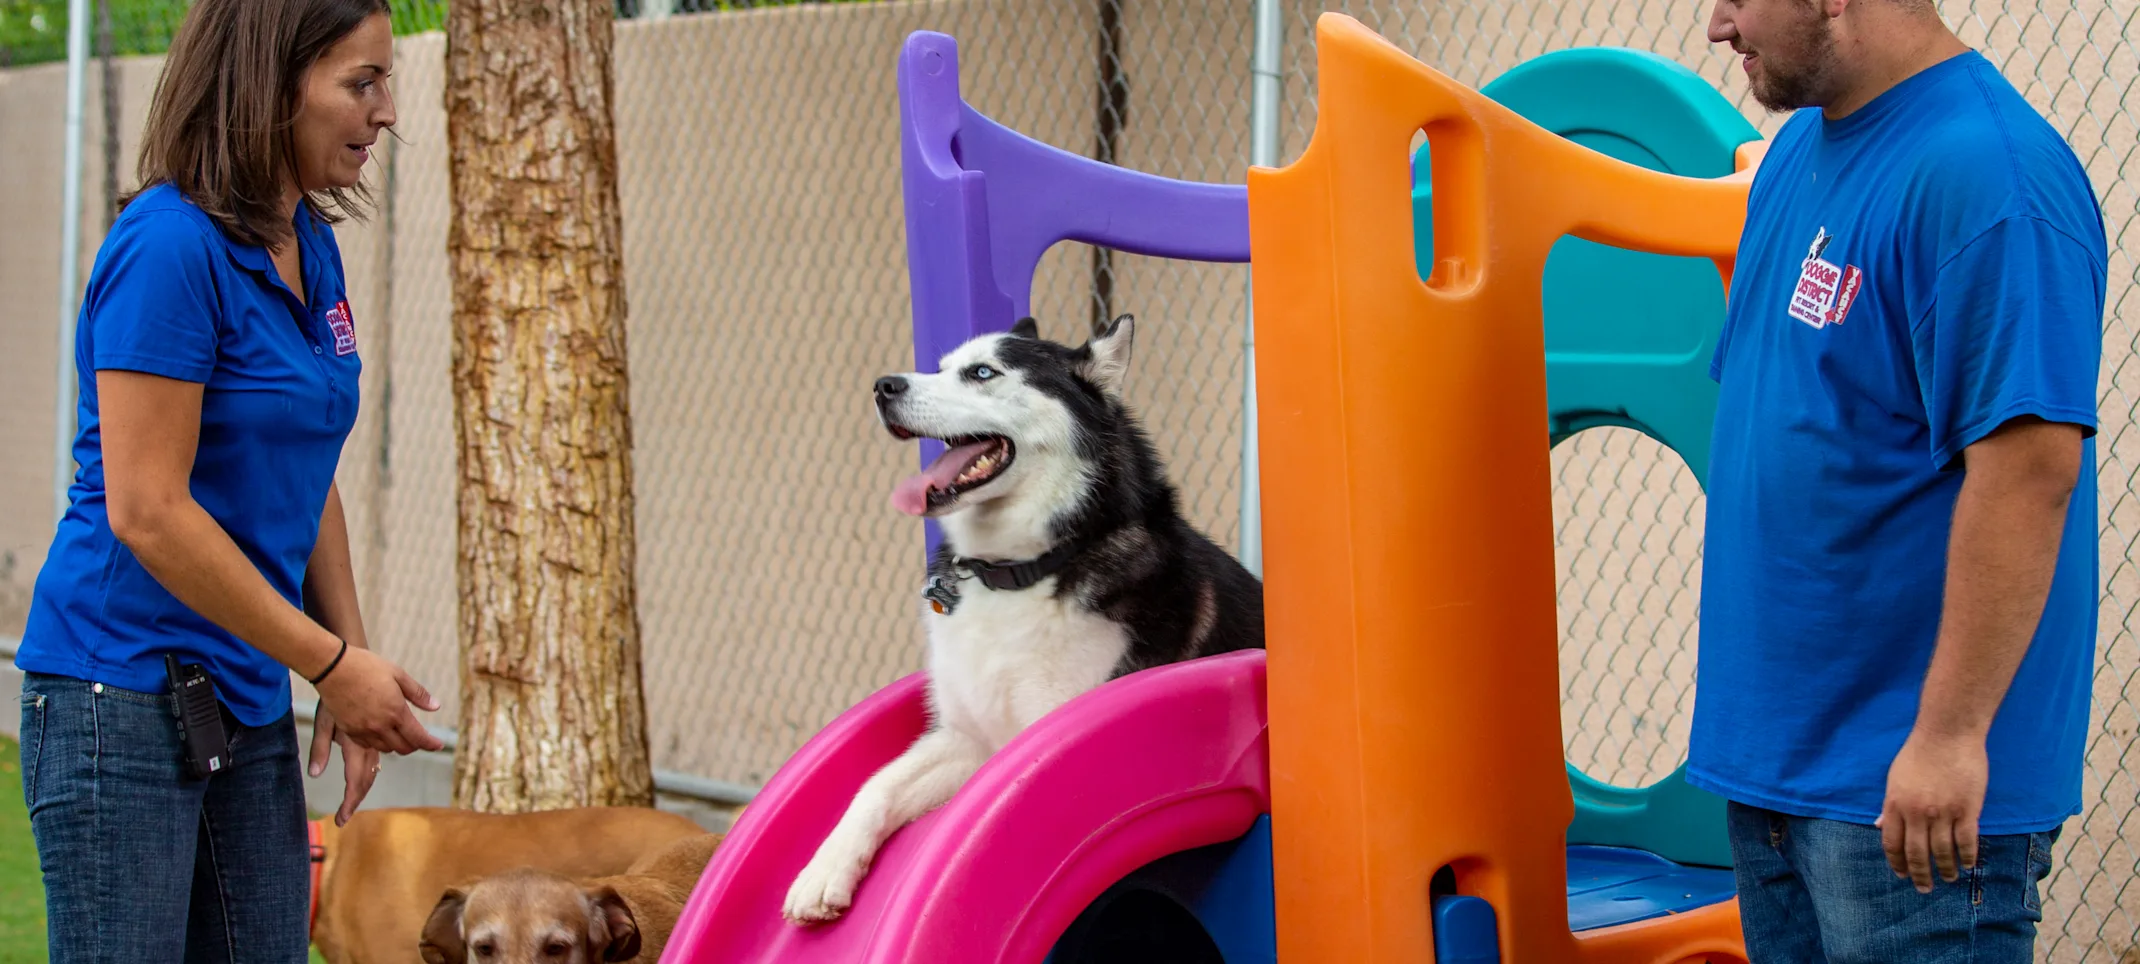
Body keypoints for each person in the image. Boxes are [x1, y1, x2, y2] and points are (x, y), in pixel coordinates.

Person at [13, 0, 445, 959]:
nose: (385, 111)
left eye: (385, 81)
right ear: (269, 84)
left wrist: (350, 666)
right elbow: (148, 510)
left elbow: (307, 469)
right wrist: (329, 665)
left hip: (243, 696)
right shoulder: (167, 248)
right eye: (360, 82)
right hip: (114, 698)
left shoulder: (309, 244)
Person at [1692, 0, 2107, 960]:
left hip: (1904, 802)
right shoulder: (1799, 153)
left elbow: (2030, 473)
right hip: (1774, 776)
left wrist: (1951, 737)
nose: (1717, 25)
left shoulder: (1990, 176)